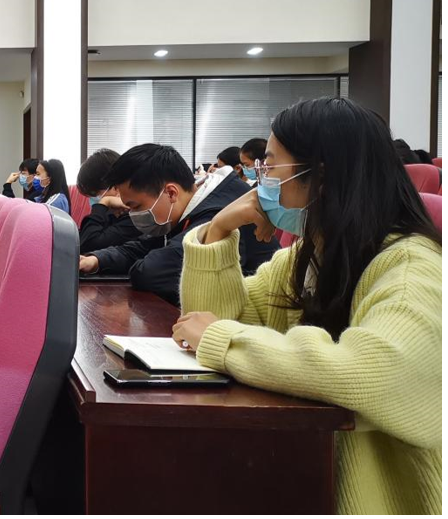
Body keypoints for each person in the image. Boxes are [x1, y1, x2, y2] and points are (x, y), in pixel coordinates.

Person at [171, 97, 441, 514]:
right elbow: (214, 323)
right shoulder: (308, 256)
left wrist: (223, 340)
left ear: (322, 177)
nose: (259, 181)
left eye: (269, 166)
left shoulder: (411, 270)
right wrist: (218, 229)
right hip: (299, 468)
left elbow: (373, 374)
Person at [78, 144, 279, 306]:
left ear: (171, 193)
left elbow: (152, 274)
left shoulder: (217, 211)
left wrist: (143, 261)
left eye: (136, 207)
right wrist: (96, 260)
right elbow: (144, 246)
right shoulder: (189, 204)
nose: (132, 214)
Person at [75, 149, 140, 252]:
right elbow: (82, 239)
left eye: (94, 194)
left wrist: (104, 203)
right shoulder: (112, 213)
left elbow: (88, 244)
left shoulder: (135, 218)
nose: (92, 200)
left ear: (115, 187)